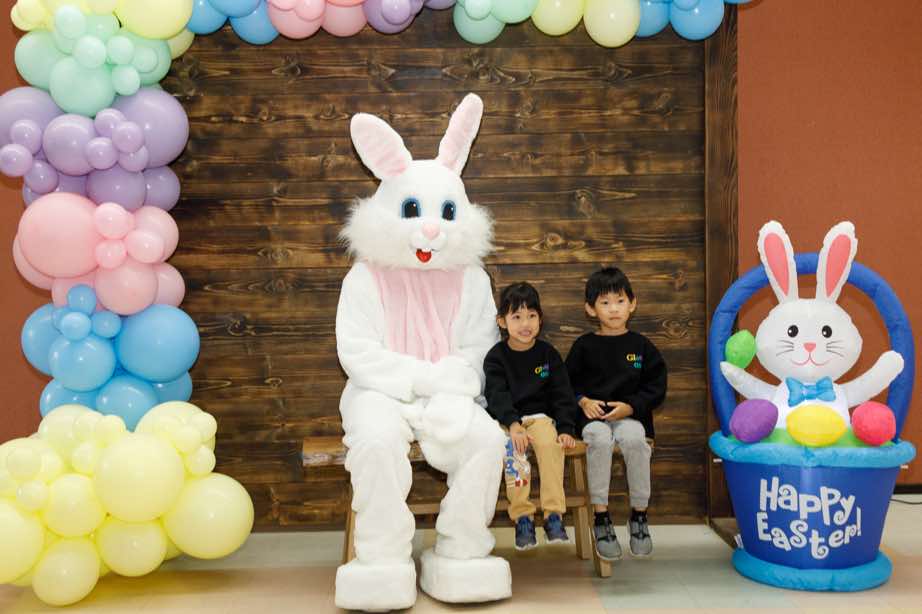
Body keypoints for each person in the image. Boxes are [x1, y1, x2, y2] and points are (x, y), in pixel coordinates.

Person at [565, 267, 667, 561]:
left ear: (632, 304)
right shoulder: (583, 346)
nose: (613, 309)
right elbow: (565, 384)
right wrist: (583, 401)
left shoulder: (642, 346)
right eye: (605, 302)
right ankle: (601, 517)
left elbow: (656, 387)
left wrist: (631, 406)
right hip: (592, 420)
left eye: (620, 301)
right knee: (598, 439)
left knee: (635, 439)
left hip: (631, 417)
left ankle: (639, 515)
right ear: (590, 308)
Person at [484, 282, 579, 551]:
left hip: (541, 419)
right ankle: (522, 517)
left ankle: (553, 515)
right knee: (515, 452)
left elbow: (562, 394)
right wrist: (513, 424)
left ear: (540, 318)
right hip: (508, 422)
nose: (525, 324)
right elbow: (497, 394)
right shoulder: (496, 357)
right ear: (502, 321)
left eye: (531, 316)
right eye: (516, 317)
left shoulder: (548, 355)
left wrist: (566, 428)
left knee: (550, 445)